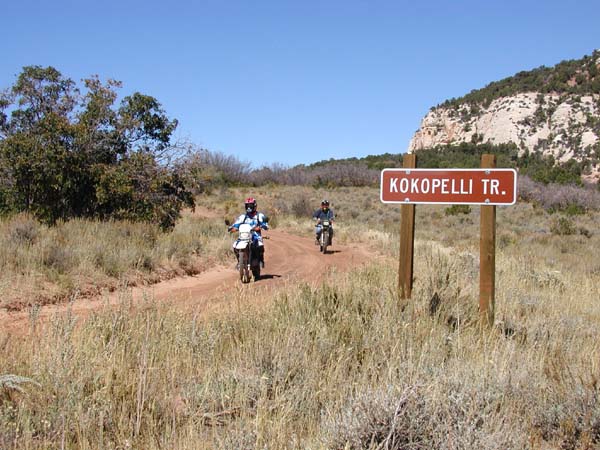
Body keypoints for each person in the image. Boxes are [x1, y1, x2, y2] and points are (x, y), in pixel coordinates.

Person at [228, 197, 269, 267]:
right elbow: (236, 224)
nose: (249, 207)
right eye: (247, 206)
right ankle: (239, 261)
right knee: (235, 246)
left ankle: (260, 260)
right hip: (243, 237)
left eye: (250, 205)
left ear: (255, 206)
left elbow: (265, 224)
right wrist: (232, 228)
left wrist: (262, 226)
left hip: (255, 236)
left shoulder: (259, 216)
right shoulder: (243, 217)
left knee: (260, 245)